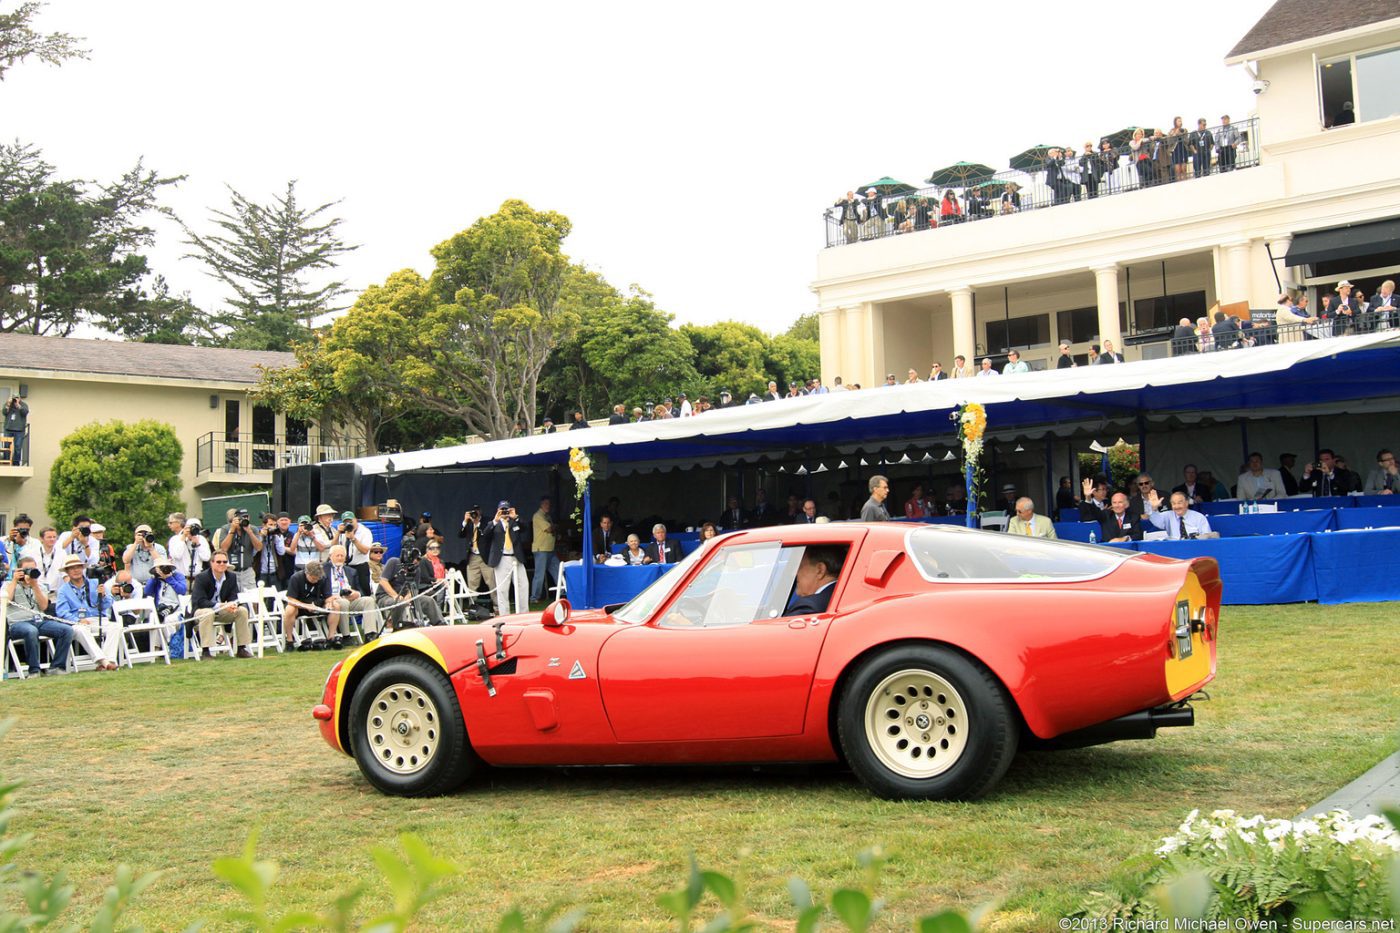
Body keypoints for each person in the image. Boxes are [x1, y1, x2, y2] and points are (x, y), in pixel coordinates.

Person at [4, 555, 72, 677]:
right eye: (27, 570)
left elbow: (44, 606)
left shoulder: (39, 585)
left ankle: (57, 667)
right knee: (31, 631)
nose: (30, 572)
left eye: (33, 569)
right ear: (19, 570)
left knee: (66, 630)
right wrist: (14, 581)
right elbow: (6, 600)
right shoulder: (8, 584)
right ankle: (34, 671)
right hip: (17, 624)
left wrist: (34, 586)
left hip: (38, 621)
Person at [53, 554, 120, 670]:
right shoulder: (63, 590)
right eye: (72, 568)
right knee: (80, 629)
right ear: (67, 572)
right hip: (77, 622)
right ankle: (104, 662)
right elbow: (62, 612)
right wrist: (78, 620)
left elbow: (107, 604)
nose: (76, 570)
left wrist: (103, 595)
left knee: (116, 626)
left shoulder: (95, 583)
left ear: (82, 569)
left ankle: (108, 661)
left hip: (97, 619)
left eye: (78, 567)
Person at [191, 551, 251, 658]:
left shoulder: (231, 577)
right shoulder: (201, 577)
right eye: (218, 562)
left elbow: (234, 597)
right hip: (201, 610)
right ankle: (205, 651)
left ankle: (241, 648)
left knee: (242, 611)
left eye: (224, 561)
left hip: (221, 611)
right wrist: (220, 605)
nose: (222, 564)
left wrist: (233, 605)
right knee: (208, 613)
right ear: (212, 563)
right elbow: (200, 601)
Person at [374, 547, 443, 631]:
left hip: (406, 596)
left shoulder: (416, 569)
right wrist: (395, 596)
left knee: (428, 600)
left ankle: (440, 624)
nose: (416, 561)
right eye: (415, 558)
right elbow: (383, 581)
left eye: (418, 559)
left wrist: (409, 596)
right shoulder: (394, 562)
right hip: (385, 596)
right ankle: (398, 627)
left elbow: (415, 588)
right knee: (399, 603)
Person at [324, 545, 384, 641]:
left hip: (350, 600)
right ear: (330, 556)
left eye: (342, 556)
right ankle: (346, 636)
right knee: (344, 602)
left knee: (369, 600)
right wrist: (333, 597)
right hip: (332, 601)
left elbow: (359, 590)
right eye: (337, 556)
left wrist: (356, 594)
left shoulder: (351, 571)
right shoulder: (324, 569)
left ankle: (370, 634)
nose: (340, 558)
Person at [487, 500, 528, 615]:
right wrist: (495, 520)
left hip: (516, 557)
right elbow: (485, 535)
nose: (505, 512)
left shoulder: (514, 522)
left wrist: (516, 517)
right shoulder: (495, 523)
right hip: (501, 559)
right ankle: (505, 615)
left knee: (523, 586)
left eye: (506, 510)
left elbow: (525, 528)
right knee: (502, 589)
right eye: (502, 510)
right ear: (498, 511)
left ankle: (523, 614)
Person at [282, 560, 334, 650]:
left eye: (318, 578)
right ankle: (289, 640)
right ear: (307, 573)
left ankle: (331, 638)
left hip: (318, 604)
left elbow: (328, 596)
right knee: (289, 609)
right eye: (313, 578)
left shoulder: (323, 578)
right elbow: (290, 599)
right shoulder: (296, 578)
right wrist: (306, 606)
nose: (316, 580)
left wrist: (329, 602)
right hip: (299, 606)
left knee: (336, 606)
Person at [785, 546, 843, 615]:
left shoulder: (808, 607)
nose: (794, 573)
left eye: (799, 567)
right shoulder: (841, 596)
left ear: (820, 570)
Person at [216, 508, 262, 591]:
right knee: (233, 598)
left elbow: (259, 548)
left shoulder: (253, 529)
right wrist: (232, 530)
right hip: (231, 571)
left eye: (246, 517)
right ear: (235, 518)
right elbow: (224, 548)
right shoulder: (226, 528)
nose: (244, 520)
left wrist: (249, 532)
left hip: (247, 571)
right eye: (241, 518)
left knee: (251, 600)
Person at [333, 511, 374, 596]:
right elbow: (333, 548)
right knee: (347, 592)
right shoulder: (343, 532)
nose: (349, 524)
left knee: (364, 592)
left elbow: (365, 551)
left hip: (360, 566)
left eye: (351, 522)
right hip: (346, 567)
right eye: (346, 522)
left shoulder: (365, 532)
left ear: (356, 520)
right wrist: (338, 533)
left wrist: (353, 539)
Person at [1146, 491, 1213, 539]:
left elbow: (1207, 537)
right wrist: (1154, 508)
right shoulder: (1168, 515)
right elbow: (1157, 521)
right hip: (1175, 549)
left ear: (1186, 503)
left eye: (1179, 503)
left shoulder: (1199, 517)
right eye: (1173, 503)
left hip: (1195, 548)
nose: (1177, 506)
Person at [530, 496, 560, 603]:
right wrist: (555, 526)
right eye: (546, 504)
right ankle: (534, 597)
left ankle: (563, 594)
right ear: (541, 505)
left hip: (550, 549)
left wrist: (554, 527)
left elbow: (553, 529)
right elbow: (549, 529)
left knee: (558, 571)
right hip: (541, 549)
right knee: (540, 575)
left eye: (549, 504)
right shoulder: (537, 516)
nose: (548, 506)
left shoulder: (547, 516)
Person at [167, 513, 211, 583]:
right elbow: (177, 556)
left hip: (198, 578)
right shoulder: (175, 539)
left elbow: (206, 557)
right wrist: (184, 537)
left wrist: (198, 544)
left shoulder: (201, 539)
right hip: (181, 579)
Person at [121, 523, 168, 587]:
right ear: (135, 535)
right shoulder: (131, 547)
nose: (143, 537)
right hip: (135, 585)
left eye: (146, 534)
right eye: (141, 534)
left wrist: (151, 548)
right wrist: (135, 543)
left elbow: (162, 564)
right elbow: (126, 560)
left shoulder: (159, 548)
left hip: (154, 584)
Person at [20, 526, 64, 594]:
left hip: (54, 594)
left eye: (54, 537)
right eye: (49, 537)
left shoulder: (61, 553)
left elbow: (65, 574)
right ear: (41, 539)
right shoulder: (32, 553)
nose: (52, 539)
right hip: (36, 591)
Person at [3, 395, 28, 465]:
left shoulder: (23, 405)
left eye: (17, 398)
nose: (15, 399)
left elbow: (25, 412)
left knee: (18, 447)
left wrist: (18, 405)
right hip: (8, 429)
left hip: (19, 430)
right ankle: (6, 462)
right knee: (6, 446)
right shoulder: (8, 404)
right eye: (14, 398)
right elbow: (4, 412)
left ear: (20, 398)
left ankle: (16, 463)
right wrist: (8, 404)